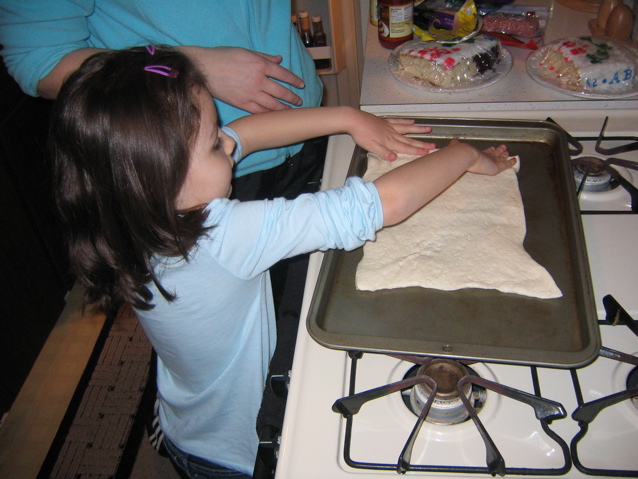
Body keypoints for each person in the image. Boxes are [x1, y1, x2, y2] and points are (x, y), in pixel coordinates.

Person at [49, 46, 514, 478]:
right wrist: (464, 154)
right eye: (212, 143)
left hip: (187, 416)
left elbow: (244, 134)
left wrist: (348, 118)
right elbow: (381, 204)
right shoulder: (221, 234)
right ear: (160, 177)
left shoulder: (123, 213)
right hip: (238, 451)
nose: (228, 147)